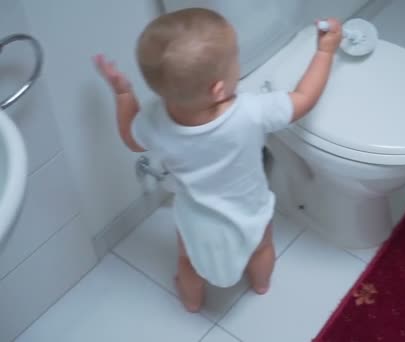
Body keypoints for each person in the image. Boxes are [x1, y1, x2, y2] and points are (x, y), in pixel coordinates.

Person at [94, 8, 342, 312]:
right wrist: (324, 51)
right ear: (218, 88)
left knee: (189, 263)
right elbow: (304, 98)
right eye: (236, 58)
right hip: (250, 211)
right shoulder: (251, 112)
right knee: (261, 248)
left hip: (196, 219)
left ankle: (192, 301)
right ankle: (261, 283)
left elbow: (131, 140)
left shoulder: (154, 122)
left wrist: (123, 94)